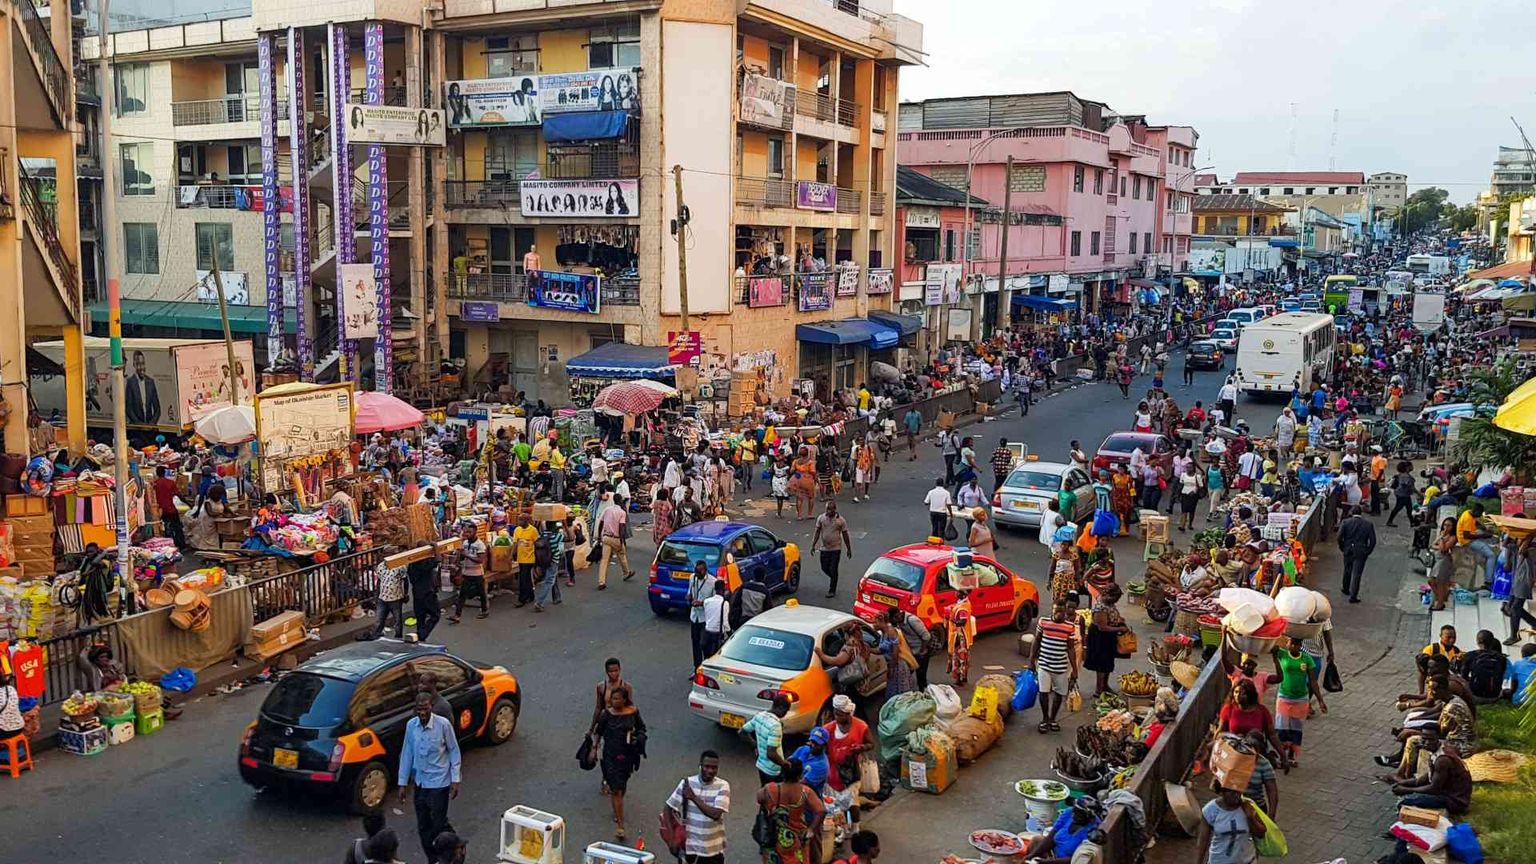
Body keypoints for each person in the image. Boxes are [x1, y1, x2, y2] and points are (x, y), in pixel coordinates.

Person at [397, 692, 461, 863]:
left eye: (425, 709)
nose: (422, 713)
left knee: (438, 824)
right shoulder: (411, 726)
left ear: (431, 707)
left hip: (439, 783)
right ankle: (433, 859)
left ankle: (454, 850)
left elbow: (454, 750)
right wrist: (402, 783)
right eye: (419, 709)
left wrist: (455, 779)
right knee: (423, 827)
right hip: (420, 784)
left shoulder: (443, 725)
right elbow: (407, 753)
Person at [593, 686, 647, 839]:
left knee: (621, 788)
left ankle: (617, 808)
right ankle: (620, 826)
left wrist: (638, 738)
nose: (614, 702)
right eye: (612, 699)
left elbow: (642, 729)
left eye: (617, 699)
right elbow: (599, 732)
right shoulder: (606, 714)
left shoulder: (633, 712)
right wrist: (594, 748)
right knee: (616, 789)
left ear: (624, 699)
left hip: (628, 756)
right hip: (610, 756)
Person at [665, 751, 732, 864]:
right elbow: (667, 809)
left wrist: (693, 798)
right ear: (700, 765)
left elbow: (715, 814)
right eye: (706, 766)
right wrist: (672, 840)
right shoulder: (687, 783)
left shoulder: (723, 786)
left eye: (714, 768)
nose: (710, 771)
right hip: (690, 850)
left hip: (713, 851)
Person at [755, 759, 826, 864]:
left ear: (782, 773)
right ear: (800, 775)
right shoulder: (805, 791)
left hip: (773, 837)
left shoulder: (770, 788)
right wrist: (811, 829)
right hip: (797, 839)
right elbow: (821, 811)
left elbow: (759, 798)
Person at [1390, 729, 1473, 815]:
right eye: (1424, 739)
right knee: (1413, 795)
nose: (1426, 743)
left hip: (1455, 801)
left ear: (1437, 739)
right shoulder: (1441, 747)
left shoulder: (1442, 760)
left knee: (1406, 802)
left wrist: (1406, 790)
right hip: (1447, 791)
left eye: (1430, 740)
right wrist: (1405, 783)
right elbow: (1429, 775)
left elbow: (1434, 788)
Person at [1273, 636, 1326, 764]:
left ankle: (1291, 756)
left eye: (1297, 644)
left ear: (1301, 645)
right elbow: (1270, 645)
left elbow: (1313, 681)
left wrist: (1320, 700)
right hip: (1284, 697)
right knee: (1281, 728)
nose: (1294, 647)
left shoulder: (1306, 658)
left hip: (1301, 699)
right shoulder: (1282, 654)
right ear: (1287, 643)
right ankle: (1282, 756)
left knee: (1296, 729)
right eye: (1292, 643)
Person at [1029, 601, 1079, 733]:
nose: (1058, 614)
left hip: (1061, 667)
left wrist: (1075, 669)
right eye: (1056, 611)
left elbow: (1070, 648)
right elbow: (1037, 641)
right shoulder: (1043, 622)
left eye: (1061, 612)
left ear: (1065, 612)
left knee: (1059, 694)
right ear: (1052, 610)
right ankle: (1045, 718)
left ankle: (1053, 718)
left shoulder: (1069, 627)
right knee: (1043, 692)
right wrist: (1031, 661)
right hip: (1044, 664)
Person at [1218, 678, 1287, 769]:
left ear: (1250, 695)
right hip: (1234, 754)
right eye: (1236, 692)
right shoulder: (1228, 710)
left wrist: (1283, 755)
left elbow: (1271, 735)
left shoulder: (1262, 711)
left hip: (1255, 755)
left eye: (1243, 693)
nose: (1238, 696)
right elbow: (1220, 733)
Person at [1195, 785, 1264, 864]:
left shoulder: (1248, 806)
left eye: (1238, 791)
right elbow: (1203, 840)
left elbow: (1261, 834)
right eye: (1231, 791)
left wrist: (1251, 818)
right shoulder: (1210, 810)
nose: (1236, 795)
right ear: (1222, 792)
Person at [1027, 796, 1102, 864]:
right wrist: (1032, 855)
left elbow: (1076, 859)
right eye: (1074, 811)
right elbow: (1051, 837)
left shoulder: (1093, 831)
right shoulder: (1069, 812)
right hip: (1054, 854)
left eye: (1078, 814)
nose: (1073, 815)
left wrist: (1048, 862)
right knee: (1037, 840)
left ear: (1088, 817)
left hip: (1067, 862)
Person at [1085, 585, 1130, 696]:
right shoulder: (1100, 608)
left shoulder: (1109, 604)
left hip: (1109, 637)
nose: (1116, 601)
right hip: (1100, 638)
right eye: (1115, 598)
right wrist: (1119, 628)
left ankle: (1105, 686)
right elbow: (1102, 627)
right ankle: (1099, 690)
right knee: (1101, 664)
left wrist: (1118, 620)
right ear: (1108, 596)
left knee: (1108, 663)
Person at [741, 695, 792, 785]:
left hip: (761, 765)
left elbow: (742, 732)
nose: (785, 714)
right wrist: (784, 764)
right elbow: (771, 753)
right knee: (775, 795)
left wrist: (754, 745)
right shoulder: (775, 726)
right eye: (786, 711)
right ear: (781, 708)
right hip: (773, 770)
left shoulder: (759, 716)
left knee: (765, 791)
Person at [1335, 505, 1377, 603]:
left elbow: (1339, 537)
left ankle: (1346, 588)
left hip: (1348, 549)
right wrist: (1367, 551)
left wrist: (1342, 547)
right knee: (1357, 574)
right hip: (1361, 551)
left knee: (1347, 569)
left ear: (1351, 513)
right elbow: (1373, 541)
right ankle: (1353, 596)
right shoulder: (1368, 524)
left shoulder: (1346, 522)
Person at [812, 501, 853, 598]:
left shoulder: (840, 521)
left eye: (830, 510)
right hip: (824, 548)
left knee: (833, 569)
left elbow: (845, 535)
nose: (828, 512)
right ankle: (834, 578)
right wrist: (813, 545)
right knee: (824, 567)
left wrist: (848, 549)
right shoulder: (821, 518)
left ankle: (832, 589)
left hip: (836, 549)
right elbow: (817, 532)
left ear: (834, 510)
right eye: (827, 509)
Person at [887, 606, 933, 691]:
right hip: (912, 651)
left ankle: (924, 693)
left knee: (921, 675)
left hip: (921, 651)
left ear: (897, 616)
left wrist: (922, 650)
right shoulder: (899, 622)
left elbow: (926, 636)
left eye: (892, 620)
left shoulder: (912, 620)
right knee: (910, 673)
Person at [1456, 629, 1509, 702]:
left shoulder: (1470, 655)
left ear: (1477, 642)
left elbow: (1463, 677)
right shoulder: (1501, 658)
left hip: (1475, 696)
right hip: (1495, 696)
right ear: (1492, 642)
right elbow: (1501, 675)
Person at [450, 522, 488, 623]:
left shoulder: (480, 545)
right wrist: (459, 558)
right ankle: (457, 615)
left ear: (475, 532)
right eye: (466, 532)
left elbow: (480, 560)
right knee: (462, 594)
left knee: (482, 593)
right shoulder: (465, 543)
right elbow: (461, 557)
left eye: (470, 532)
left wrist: (467, 555)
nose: (467, 534)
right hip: (466, 572)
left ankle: (484, 611)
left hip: (477, 573)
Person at [596, 495, 634, 589]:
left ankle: (601, 582)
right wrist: (621, 541)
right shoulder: (622, 512)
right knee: (622, 554)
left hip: (606, 537)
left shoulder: (607, 509)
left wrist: (599, 536)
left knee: (604, 560)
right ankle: (626, 572)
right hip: (616, 538)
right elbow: (621, 527)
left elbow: (601, 523)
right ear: (620, 501)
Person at [1458, 502, 1497, 590]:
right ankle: (1488, 581)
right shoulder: (1467, 518)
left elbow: (1476, 523)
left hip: (1472, 535)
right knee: (1491, 555)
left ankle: (1486, 545)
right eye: (1479, 514)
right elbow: (1466, 536)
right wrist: (1484, 536)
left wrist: (1484, 528)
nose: (1479, 516)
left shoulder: (1469, 512)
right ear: (1476, 511)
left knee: (1487, 536)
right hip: (1467, 541)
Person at [591, 657, 635, 732]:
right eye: (611, 671)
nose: (614, 674)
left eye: (616, 670)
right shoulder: (601, 687)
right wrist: (592, 728)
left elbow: (630, 706)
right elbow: (598, 707)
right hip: (607, 723)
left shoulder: (626, 686)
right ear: (606, 672)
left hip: (622, 723)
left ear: (620, 670)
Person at [368, 559, 408, 640]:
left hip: (395, 597)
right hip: (382, 597)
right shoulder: (381, 566)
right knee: (380, 619)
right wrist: (377, 595)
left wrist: (405, 594)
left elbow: (405, 581)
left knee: (397, 621)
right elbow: (379, 581)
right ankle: (377, 635)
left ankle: (398, 637)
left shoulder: (400, 566)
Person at [947, 590, 976, 685]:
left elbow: (962, 621)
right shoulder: (963, 604)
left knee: (959, 658)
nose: (955, 593)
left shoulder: (963, 608)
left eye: (958, 592)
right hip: (961, 635)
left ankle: (959, 680)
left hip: (960, 636)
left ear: (963, 595)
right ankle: (964, 678)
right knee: (963, 658)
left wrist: (951, 620)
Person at [152, 467, 187, 549]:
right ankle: (181, 545)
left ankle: (167, 545)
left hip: (159, 510)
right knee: (177, 527)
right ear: (164, 473)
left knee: (163, 528)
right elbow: (179, 495)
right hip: (170, 509)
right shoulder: (170, 483)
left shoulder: (154, 484)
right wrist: (188, 503)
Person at [532, 520, 562, 612]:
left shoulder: (543, 535)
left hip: (544, 561)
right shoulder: (557, 536)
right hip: (553, 561)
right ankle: (539, 602)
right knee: (549, 581)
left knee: (551, 579)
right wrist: (563, 525)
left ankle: (557, 596)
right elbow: (567, 536)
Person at [789, 726, 831, 792]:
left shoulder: (822, 765)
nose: (813, 745)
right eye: (812, 741)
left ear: (824, 746)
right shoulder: (802, 749)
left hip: (807, 793)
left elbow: (801, 785)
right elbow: (788, 765)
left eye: (817, 744)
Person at [1429, 517, 1457, 611]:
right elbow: (1433, 544)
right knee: (1431, 581)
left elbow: (1443, 549)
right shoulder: (1442, 535)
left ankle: (1440, 603)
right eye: (1445, 525)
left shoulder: (1453, 537)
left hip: (1444, 561)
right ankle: (1441, 597)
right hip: (1438, 559)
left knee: (1440, 582)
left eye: (1449, 525)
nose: (1446, 527)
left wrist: (1441, 539)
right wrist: (1441, 541)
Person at [700, 580, 731, 660]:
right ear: (723, 590)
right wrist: (730, 634)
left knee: (706, 659)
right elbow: (725, 623)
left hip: (706, 634)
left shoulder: (707, 601)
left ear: (715, 589)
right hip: (717, 636)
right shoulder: (725, 603)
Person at [1385, 461, 1417, 527]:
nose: (1412, 467)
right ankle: (1390, 521)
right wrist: (1419, 494)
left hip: (1400, 494)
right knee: (1399, 508)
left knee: (1408, 508)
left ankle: (1412, 522)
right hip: (1403, 495)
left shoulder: (1400, 475)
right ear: (1407, 468)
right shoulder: (1406, 477)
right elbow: (1411, 487)